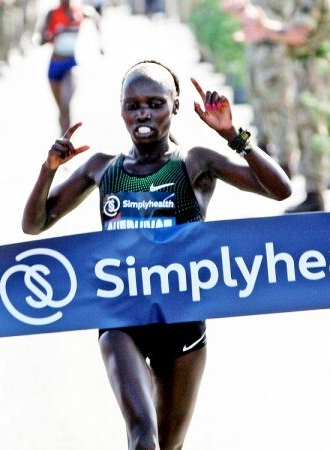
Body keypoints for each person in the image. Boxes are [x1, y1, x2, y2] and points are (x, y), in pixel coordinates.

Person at [22, 60, 291, 450]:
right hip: (121, 318)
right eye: (132, 105)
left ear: (175, 106)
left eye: (155, 103)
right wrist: (48, 170)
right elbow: (34, 224)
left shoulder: (195, 163)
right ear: (120, 109)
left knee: (168, 446)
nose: (143, 114)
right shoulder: (102, 168)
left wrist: (232, 135)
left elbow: (279, 190)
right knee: (142, 440)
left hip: (182, 322)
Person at [235, 0, 330, 213]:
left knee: (311, 128)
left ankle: (315, 194)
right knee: (304, 127)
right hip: (305, 65)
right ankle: (313, 193)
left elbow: (299, 34)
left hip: (313, 67)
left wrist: (265, 28)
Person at [39, 0, 102, 133]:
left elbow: (95, 16)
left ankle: (66, 137)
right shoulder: (52, 13)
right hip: (55, 65)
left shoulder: (79, 11)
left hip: (70, 64)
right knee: (61, 109)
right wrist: (54, 35)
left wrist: (100, 43)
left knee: (65, 104)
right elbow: (41, 40)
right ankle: (62, 135)